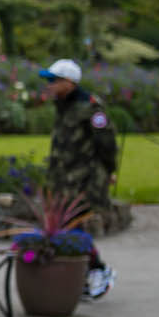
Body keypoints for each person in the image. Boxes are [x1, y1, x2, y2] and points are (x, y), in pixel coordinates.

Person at [40, 58, 117, 301]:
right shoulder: (63, 106)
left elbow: (106, 142)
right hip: (64, 179)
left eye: (54, 81)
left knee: (73, 225)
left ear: (69, 83)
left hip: (84, 179)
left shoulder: (90, 108)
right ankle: (86, 273)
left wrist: (109, 170)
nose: (49, 85)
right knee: (71, 227)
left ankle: (98, 271)